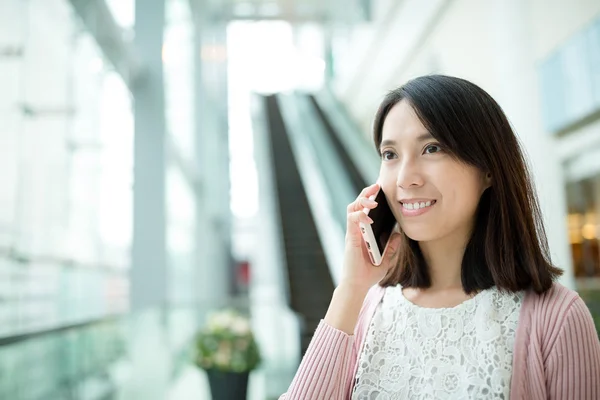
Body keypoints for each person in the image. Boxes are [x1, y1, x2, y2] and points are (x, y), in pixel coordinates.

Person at [279, 75, 600, 399]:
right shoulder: (366, 308)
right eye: (390, 154)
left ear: (488, 168)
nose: (405, 178)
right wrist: (351, 288)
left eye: (432, 148)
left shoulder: (557, 318)